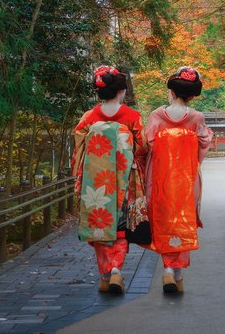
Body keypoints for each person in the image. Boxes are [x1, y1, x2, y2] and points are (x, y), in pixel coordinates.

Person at [72, 65, 144, 294]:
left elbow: (79, 149)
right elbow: (142, 148)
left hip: (95, 182)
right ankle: (116, 271)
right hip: (123, 180)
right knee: (120, 227)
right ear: (121, 91)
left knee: (99, 225)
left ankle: (105, 274)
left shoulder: (89, 118)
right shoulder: (132, 117)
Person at [141, 66, 213, 293]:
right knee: (183, 220)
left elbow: (146, 145)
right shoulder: (196, 118)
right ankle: (176, 273)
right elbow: (203, 145)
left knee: (163, 219)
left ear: (171, 92)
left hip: (159, 178)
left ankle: (169, 271)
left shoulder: (156, 116)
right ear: (191, 95)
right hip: (186, 178)